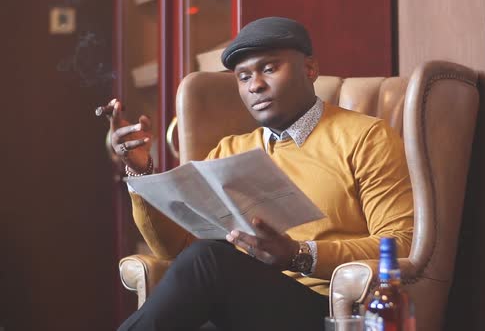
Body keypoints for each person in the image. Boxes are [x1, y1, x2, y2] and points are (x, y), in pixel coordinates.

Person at [109, 17, 414, 331]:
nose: (255, 85)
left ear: (310, 69)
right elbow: (174, 250)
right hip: (244, 306)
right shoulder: (230, 151)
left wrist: (300, 255)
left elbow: (399, 244)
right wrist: (140, 169)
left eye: (269, 69)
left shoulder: (366, 137)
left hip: (329, 307)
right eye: (243, 77)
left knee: (208, 261)